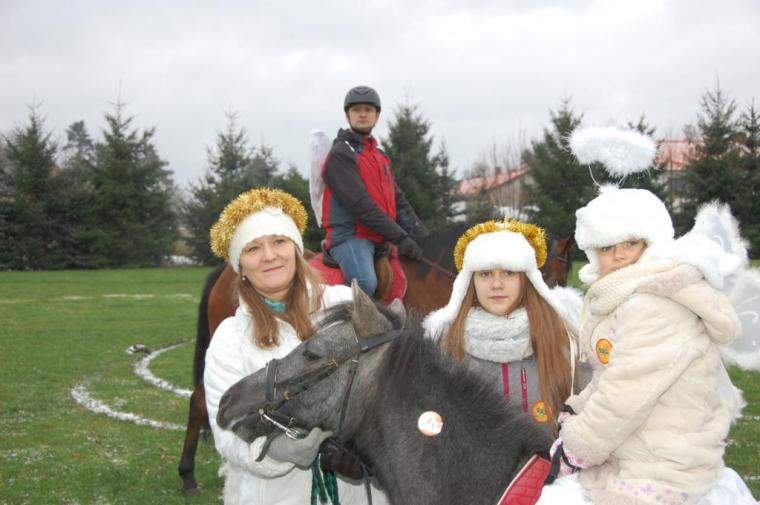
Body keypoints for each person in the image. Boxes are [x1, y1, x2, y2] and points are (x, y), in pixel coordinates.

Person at [537, 186, 756, 505]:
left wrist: (576, 447)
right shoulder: (624, 296)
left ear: (652, 243)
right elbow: (611, 376)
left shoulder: (655, 305)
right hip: (638, 450)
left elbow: (627, 391)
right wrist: (578, 407)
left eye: (631, 243)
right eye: (607, 247)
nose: (619, 256)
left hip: (664, 464)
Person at [204, 188, 388, 505]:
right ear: (240, 266)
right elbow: (227, 431)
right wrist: (277, 451)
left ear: (296, 248)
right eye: (253, 248)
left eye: (279, 241)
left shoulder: (347, 305)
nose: (269, 256)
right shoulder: (230, 337)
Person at [423, 219, 586, 438]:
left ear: (526, 279)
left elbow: (591, 414)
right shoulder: (445, 346)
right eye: (485, 274)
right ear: (470, 281)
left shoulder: (563, 340)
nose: (496, 284)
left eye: (509, 273)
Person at [321, 85, 426, 297]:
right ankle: (347, 320)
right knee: (365, 282)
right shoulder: (341, 154)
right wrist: (401, 238)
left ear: (377, 116)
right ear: (347, 115)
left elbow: (399, 202)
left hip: (381, 237)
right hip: (351, 236)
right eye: (356, 110)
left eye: (368, 110)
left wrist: (423, 237)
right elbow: (361, 206)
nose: (362, 114)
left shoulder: (379, 156)